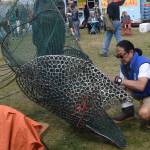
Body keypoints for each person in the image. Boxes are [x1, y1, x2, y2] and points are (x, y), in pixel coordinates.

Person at [113, 40, 150, 128]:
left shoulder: (143, 64)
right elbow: (122, 84)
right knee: (118, 88)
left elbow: (141, 86)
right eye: (118, 56)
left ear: (131, 52)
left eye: (122, 55)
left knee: (144, 114)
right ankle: (128, 111)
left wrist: (120, 81)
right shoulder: (124, 65)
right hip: (142, 93)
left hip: (148, 93)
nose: (120, 59)